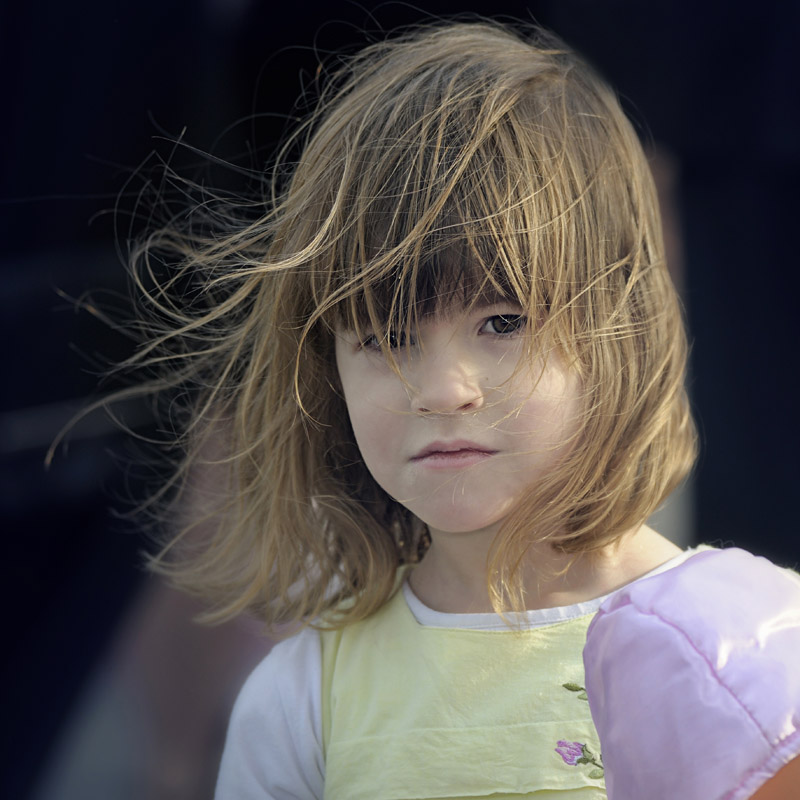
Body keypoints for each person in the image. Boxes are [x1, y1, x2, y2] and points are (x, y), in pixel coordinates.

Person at [127, 21, 800, 799]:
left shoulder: (748, 650)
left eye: (503, 323)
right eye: (388, 337)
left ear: (620, 332)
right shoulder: (303, 700)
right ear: (327, 371)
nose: (444, 390)